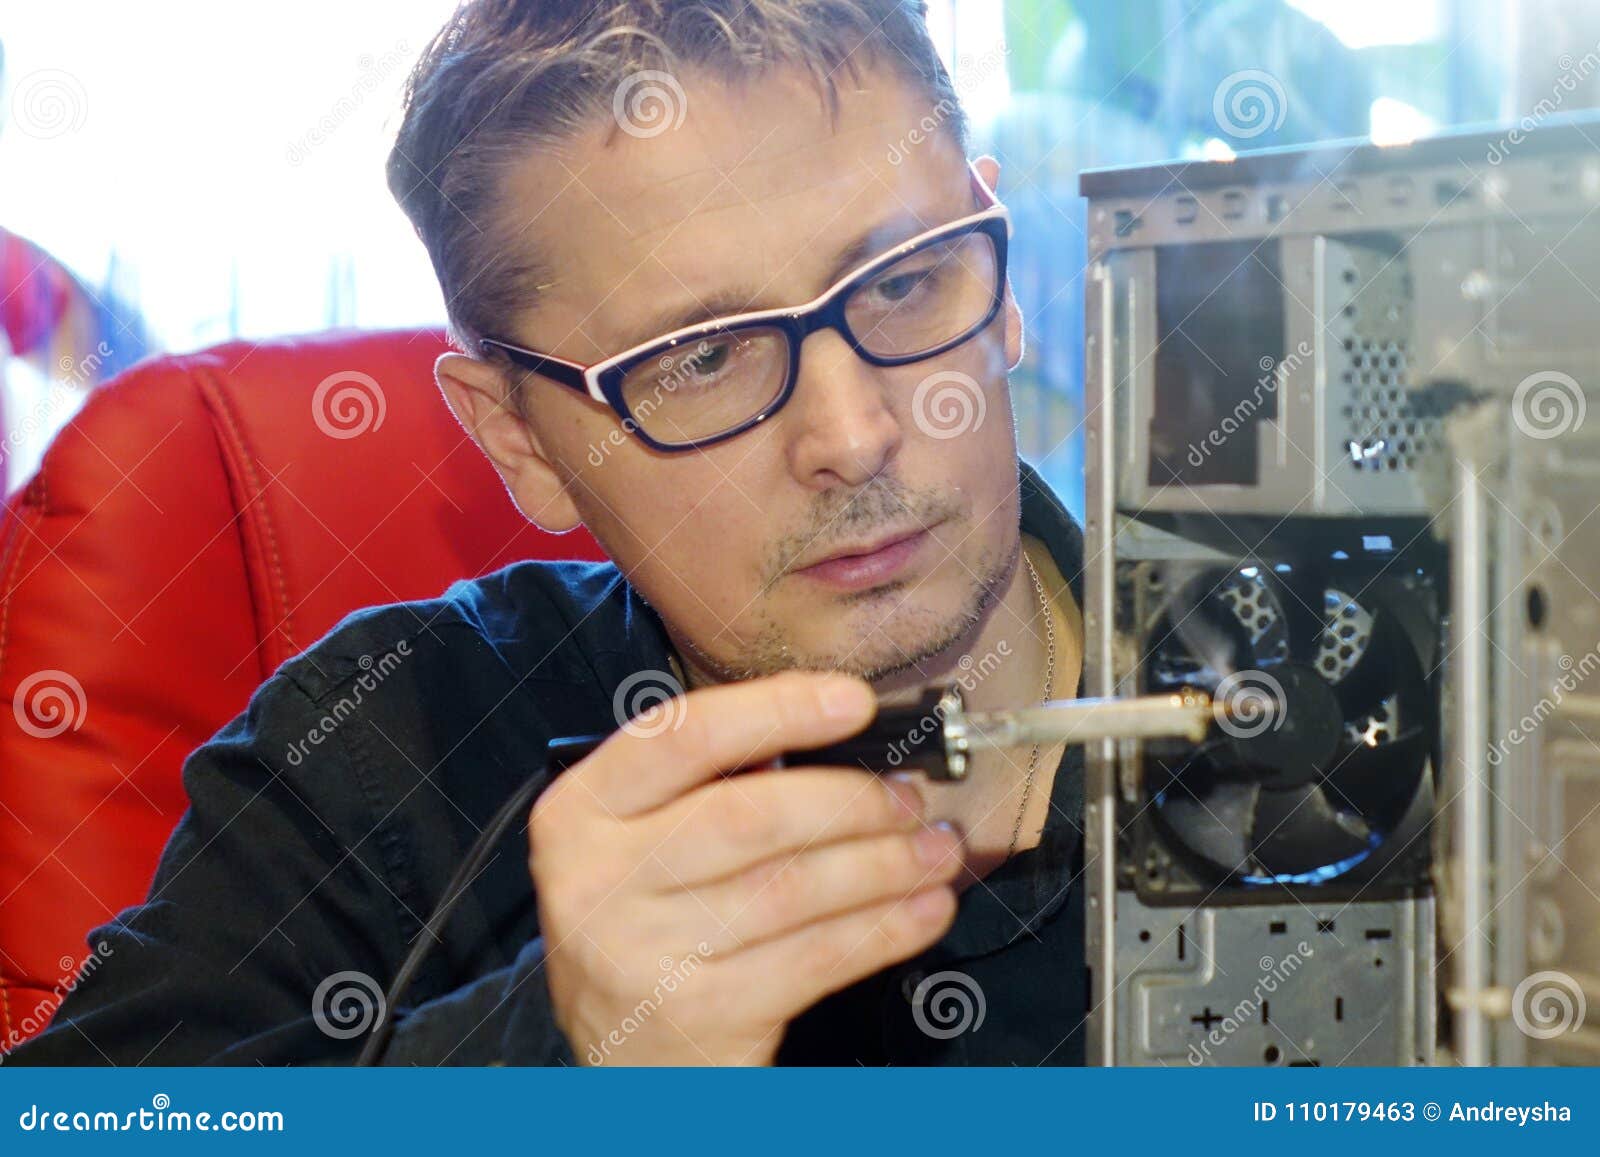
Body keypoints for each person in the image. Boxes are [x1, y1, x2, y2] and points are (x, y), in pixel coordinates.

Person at [10, 0, 1088, 1066]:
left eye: (902, 282)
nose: (852, 437)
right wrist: (552, 1052)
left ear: (997, 282)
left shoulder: (1201, 678)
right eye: (703, 358)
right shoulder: (386, 757)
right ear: (518, 438)